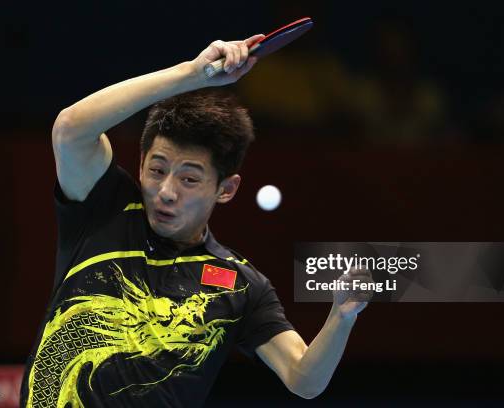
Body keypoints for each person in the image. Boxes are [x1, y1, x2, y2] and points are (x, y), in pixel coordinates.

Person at [20, 33, 371, 408]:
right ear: (140, 164)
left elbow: (303, 378)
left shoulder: (239, 285)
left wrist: (342, 316)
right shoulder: (103, 208)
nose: (167, 191)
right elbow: (70, 127)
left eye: (189, 179)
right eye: (157, 170)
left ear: (226, 189)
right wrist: (194, 74)